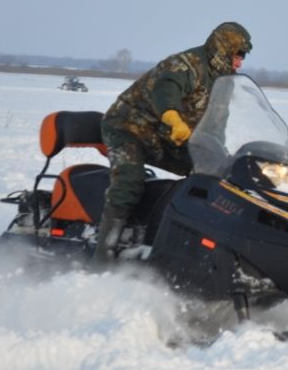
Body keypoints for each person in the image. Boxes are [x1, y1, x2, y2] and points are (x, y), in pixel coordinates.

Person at [93, 21, 253, 264]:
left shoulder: (224, 81)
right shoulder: (187, 64)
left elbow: (217, 122)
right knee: (128, 183)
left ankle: (193, 247)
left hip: (169, 137)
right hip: (129, 128)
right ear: (223, 48)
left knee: (213, 178)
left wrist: (215, 153)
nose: (240, 62)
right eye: (238, 54)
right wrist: (172, 117)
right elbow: (166, 89)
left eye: (243, 56)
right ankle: (102, 258)